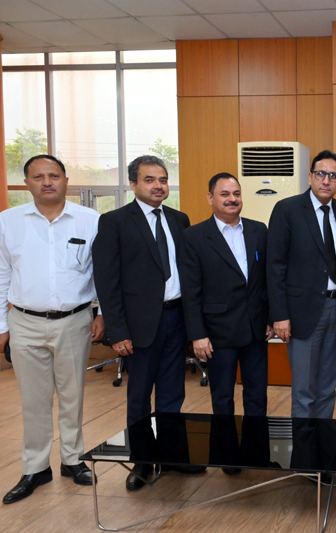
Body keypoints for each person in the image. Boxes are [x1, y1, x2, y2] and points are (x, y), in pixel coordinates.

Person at [0, 155, 104, 504]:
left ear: (65, 180)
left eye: (54, 176)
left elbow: (102, 273)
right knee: (34, 400)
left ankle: (72, 460)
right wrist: (2, 326)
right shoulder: (7, 222)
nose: (47, 182)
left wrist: (101, 313)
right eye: (38, 176)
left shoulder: (90, 221)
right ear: (27, 182)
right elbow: (1, 277)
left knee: (72, 395)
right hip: (25, 322)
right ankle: (35, 467)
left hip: (75, 320)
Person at [93, 155, 196, 491]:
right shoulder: (115, 222)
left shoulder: (180, 220)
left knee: (172, 393)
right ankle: (142, 461)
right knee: (139, 396)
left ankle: (172, 456)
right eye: (150, 180)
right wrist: (117, 332)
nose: (158, 186)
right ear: (133, 184)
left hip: (176, 318)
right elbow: (107, 283)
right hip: (138, 328)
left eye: (163, 180)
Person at [179, 173, 271, 421]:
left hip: (256, 331)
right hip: (218, 334)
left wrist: (271, 318)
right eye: (225, 194)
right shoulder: (193, 237)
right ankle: (226, 454)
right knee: (222, 398)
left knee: (257, 396)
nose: (232, 199)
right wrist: (198, 334)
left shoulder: (259, 230)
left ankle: (256, 452)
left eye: (237, 194)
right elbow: (190, 291)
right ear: (210, 198)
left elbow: (267, 279)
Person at [267, 150, 336, 418]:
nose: (326, 180)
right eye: (321, 174)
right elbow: (275, 266)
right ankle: (303, 454)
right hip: (302, 311)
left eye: (333, 175)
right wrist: (279, 316)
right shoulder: (287, 209)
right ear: (310, 176)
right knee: (304, 390)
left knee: (328, 385)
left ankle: (323, 444)